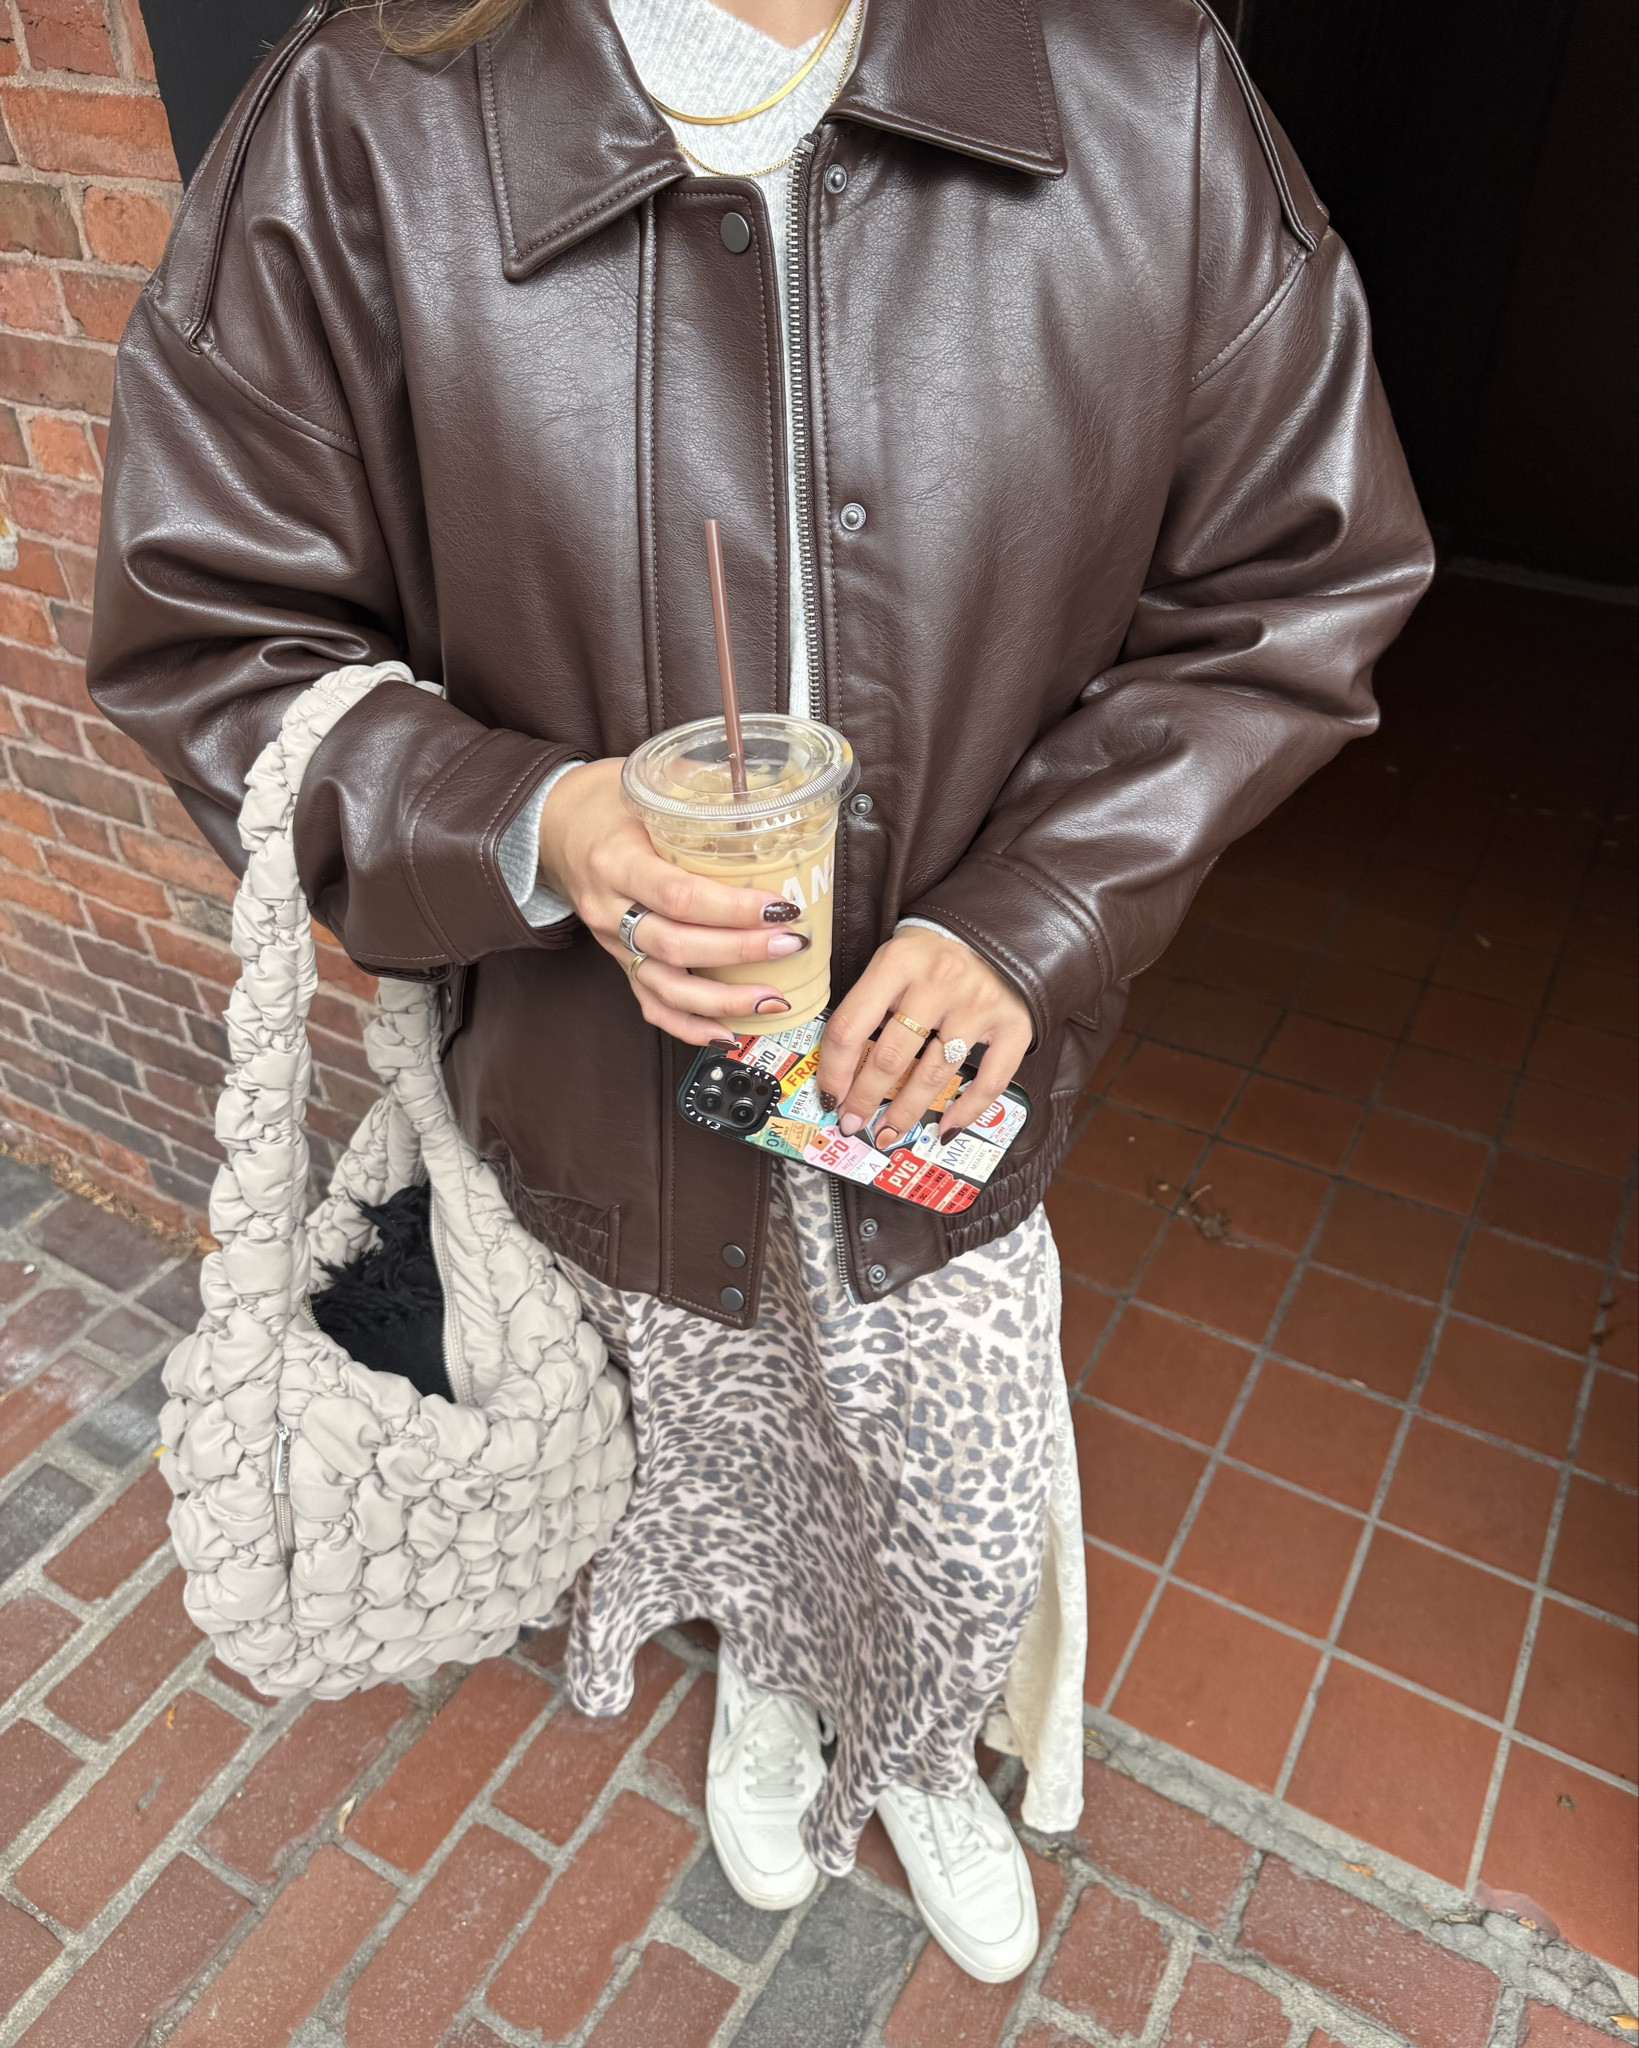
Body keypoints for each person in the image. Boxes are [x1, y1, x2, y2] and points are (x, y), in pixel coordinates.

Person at [88, 0, 1432, 1985]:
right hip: (602, 1087)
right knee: (714, 1475)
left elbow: (1299, 582)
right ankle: (776, 1696)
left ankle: (925, 1744)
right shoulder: (372, 114)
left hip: (933, 1110)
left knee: (947, 1501)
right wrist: (539, 822)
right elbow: (210, 629)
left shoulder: (1138, 88)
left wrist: (1038, 909)